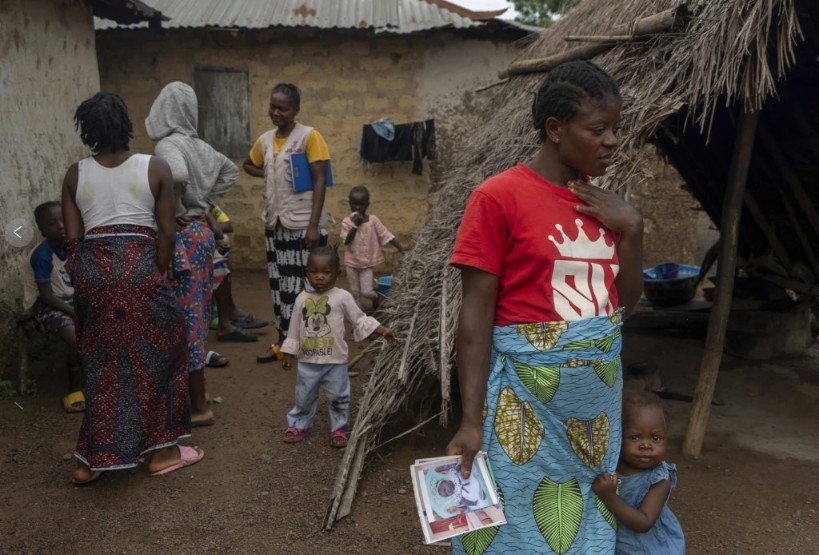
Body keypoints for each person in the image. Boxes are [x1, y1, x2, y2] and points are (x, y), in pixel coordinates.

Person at [446, 60, 644, 554]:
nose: (612, 141)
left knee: (587, 527)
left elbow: (627, 302)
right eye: (598, 129)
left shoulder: (606, 206)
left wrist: (633, 227)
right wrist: (471, 419)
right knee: (514, 526)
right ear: (555, 130)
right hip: (523, 410)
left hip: (595, 418)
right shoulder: (498, 198)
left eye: (615, 129)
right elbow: (475, 317)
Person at [62, 92, 203, 485]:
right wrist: (151, 275)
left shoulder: (75, 174)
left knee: (102, 362)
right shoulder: (154, 167)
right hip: (141, 269)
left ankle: (89, 462)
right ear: (127, 125)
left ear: (86, 130)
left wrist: (93, 282)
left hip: (93, 274)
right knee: (168, 347)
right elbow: (168, 233)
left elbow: (73, 245)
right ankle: (163, 451)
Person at [146, 81, 239, 427]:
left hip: (181, 236)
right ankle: (191, 397)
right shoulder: (200, 146)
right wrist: (206, 202)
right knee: (196, 316)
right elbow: (231, 170)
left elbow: (179, 174)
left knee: (180, 320)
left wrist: (178, 202)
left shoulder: (168, 145)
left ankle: (198, 406)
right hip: (201, 233)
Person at [243, 83, 330, 363]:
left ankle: (312, 347)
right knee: (280, 288)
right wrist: (270, 172)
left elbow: (319, 181)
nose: (276, 112)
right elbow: (249, 163)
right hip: (275, 225)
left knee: (308, 288)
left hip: (304, 226)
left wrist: (314, 225)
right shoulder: (265, 140)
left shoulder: (309, 137)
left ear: (296, 110)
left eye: (283, 108)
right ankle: (283, 344)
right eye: (273, 107)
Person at [280, 246, 395, 447]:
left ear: (337, 273)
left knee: (338, 397)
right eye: (314, 272)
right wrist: (289, 352)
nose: (319, 277)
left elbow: (359, 319)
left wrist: (382, 330)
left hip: (336, 362)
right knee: (303, 396)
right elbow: (294, 328)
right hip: (308, 361)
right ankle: (299, 424)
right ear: (306, 272)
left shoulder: (342, 297)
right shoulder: (302, 299)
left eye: (326, 272)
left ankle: (339, 428)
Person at [592, 391, 685, 554]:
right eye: (634, 437)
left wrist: (609, 496)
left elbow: (644, 522)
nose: (646, 446)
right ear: (617, 437)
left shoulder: (660, 479)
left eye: (655, 438)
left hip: (652, 549)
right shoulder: (611, 465)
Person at [21, 201, 83, 412]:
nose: (61, 225)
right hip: (45, 307)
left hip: (70, 302)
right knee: (75, 336)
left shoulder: (73, 247)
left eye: (63, 219)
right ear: (42, 230)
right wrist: (75, 312)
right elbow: (47, 296)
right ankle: (73, 390)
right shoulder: (42, 256)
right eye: (52, 223)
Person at [207, 204, 266, 345]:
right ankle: (226, 319)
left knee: (221, 253)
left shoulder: (208, 205)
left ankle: (229, 314)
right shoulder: (184, 201)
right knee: (218, 262)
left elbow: (228, 225)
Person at [340, 185, 404, 310]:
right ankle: (358, 318)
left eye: (361, 204)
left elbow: (386, 234)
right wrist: (355, 225)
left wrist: (401, 248)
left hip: (366, 265)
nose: (357, 208)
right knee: (355, 293)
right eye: (354, 204)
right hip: (351, 263)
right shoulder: (347, 222)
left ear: (367, 205)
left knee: (366, 292)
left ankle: (376, 296)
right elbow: (346, 241)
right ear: (349, 204)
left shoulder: (373, 221)